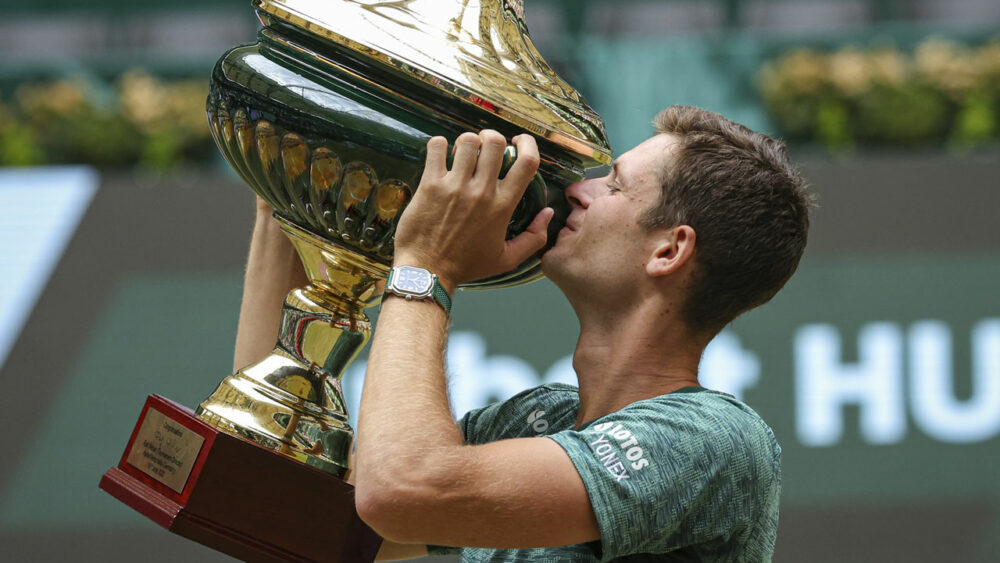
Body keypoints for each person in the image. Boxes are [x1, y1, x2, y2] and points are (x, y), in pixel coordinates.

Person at [235, 105, 811, 562]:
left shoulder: (715, 442)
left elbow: (401, 491)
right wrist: (287, 200)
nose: (578, 192)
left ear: (669, 249)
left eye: (613, 184)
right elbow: (288, 518)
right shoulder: (538, 420)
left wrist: (426, 268)